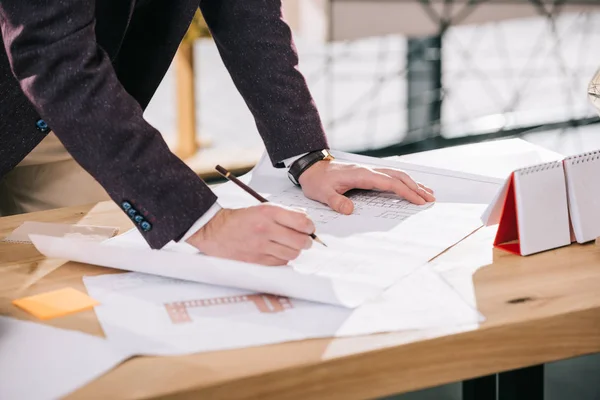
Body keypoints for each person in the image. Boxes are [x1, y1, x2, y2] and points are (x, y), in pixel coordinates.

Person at [0, 0, 434, 266]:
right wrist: (200, 221)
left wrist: (306, 155)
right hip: (55, 79)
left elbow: (246, 12)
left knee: (77, 292)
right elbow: (52, 55)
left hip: (66, 122)